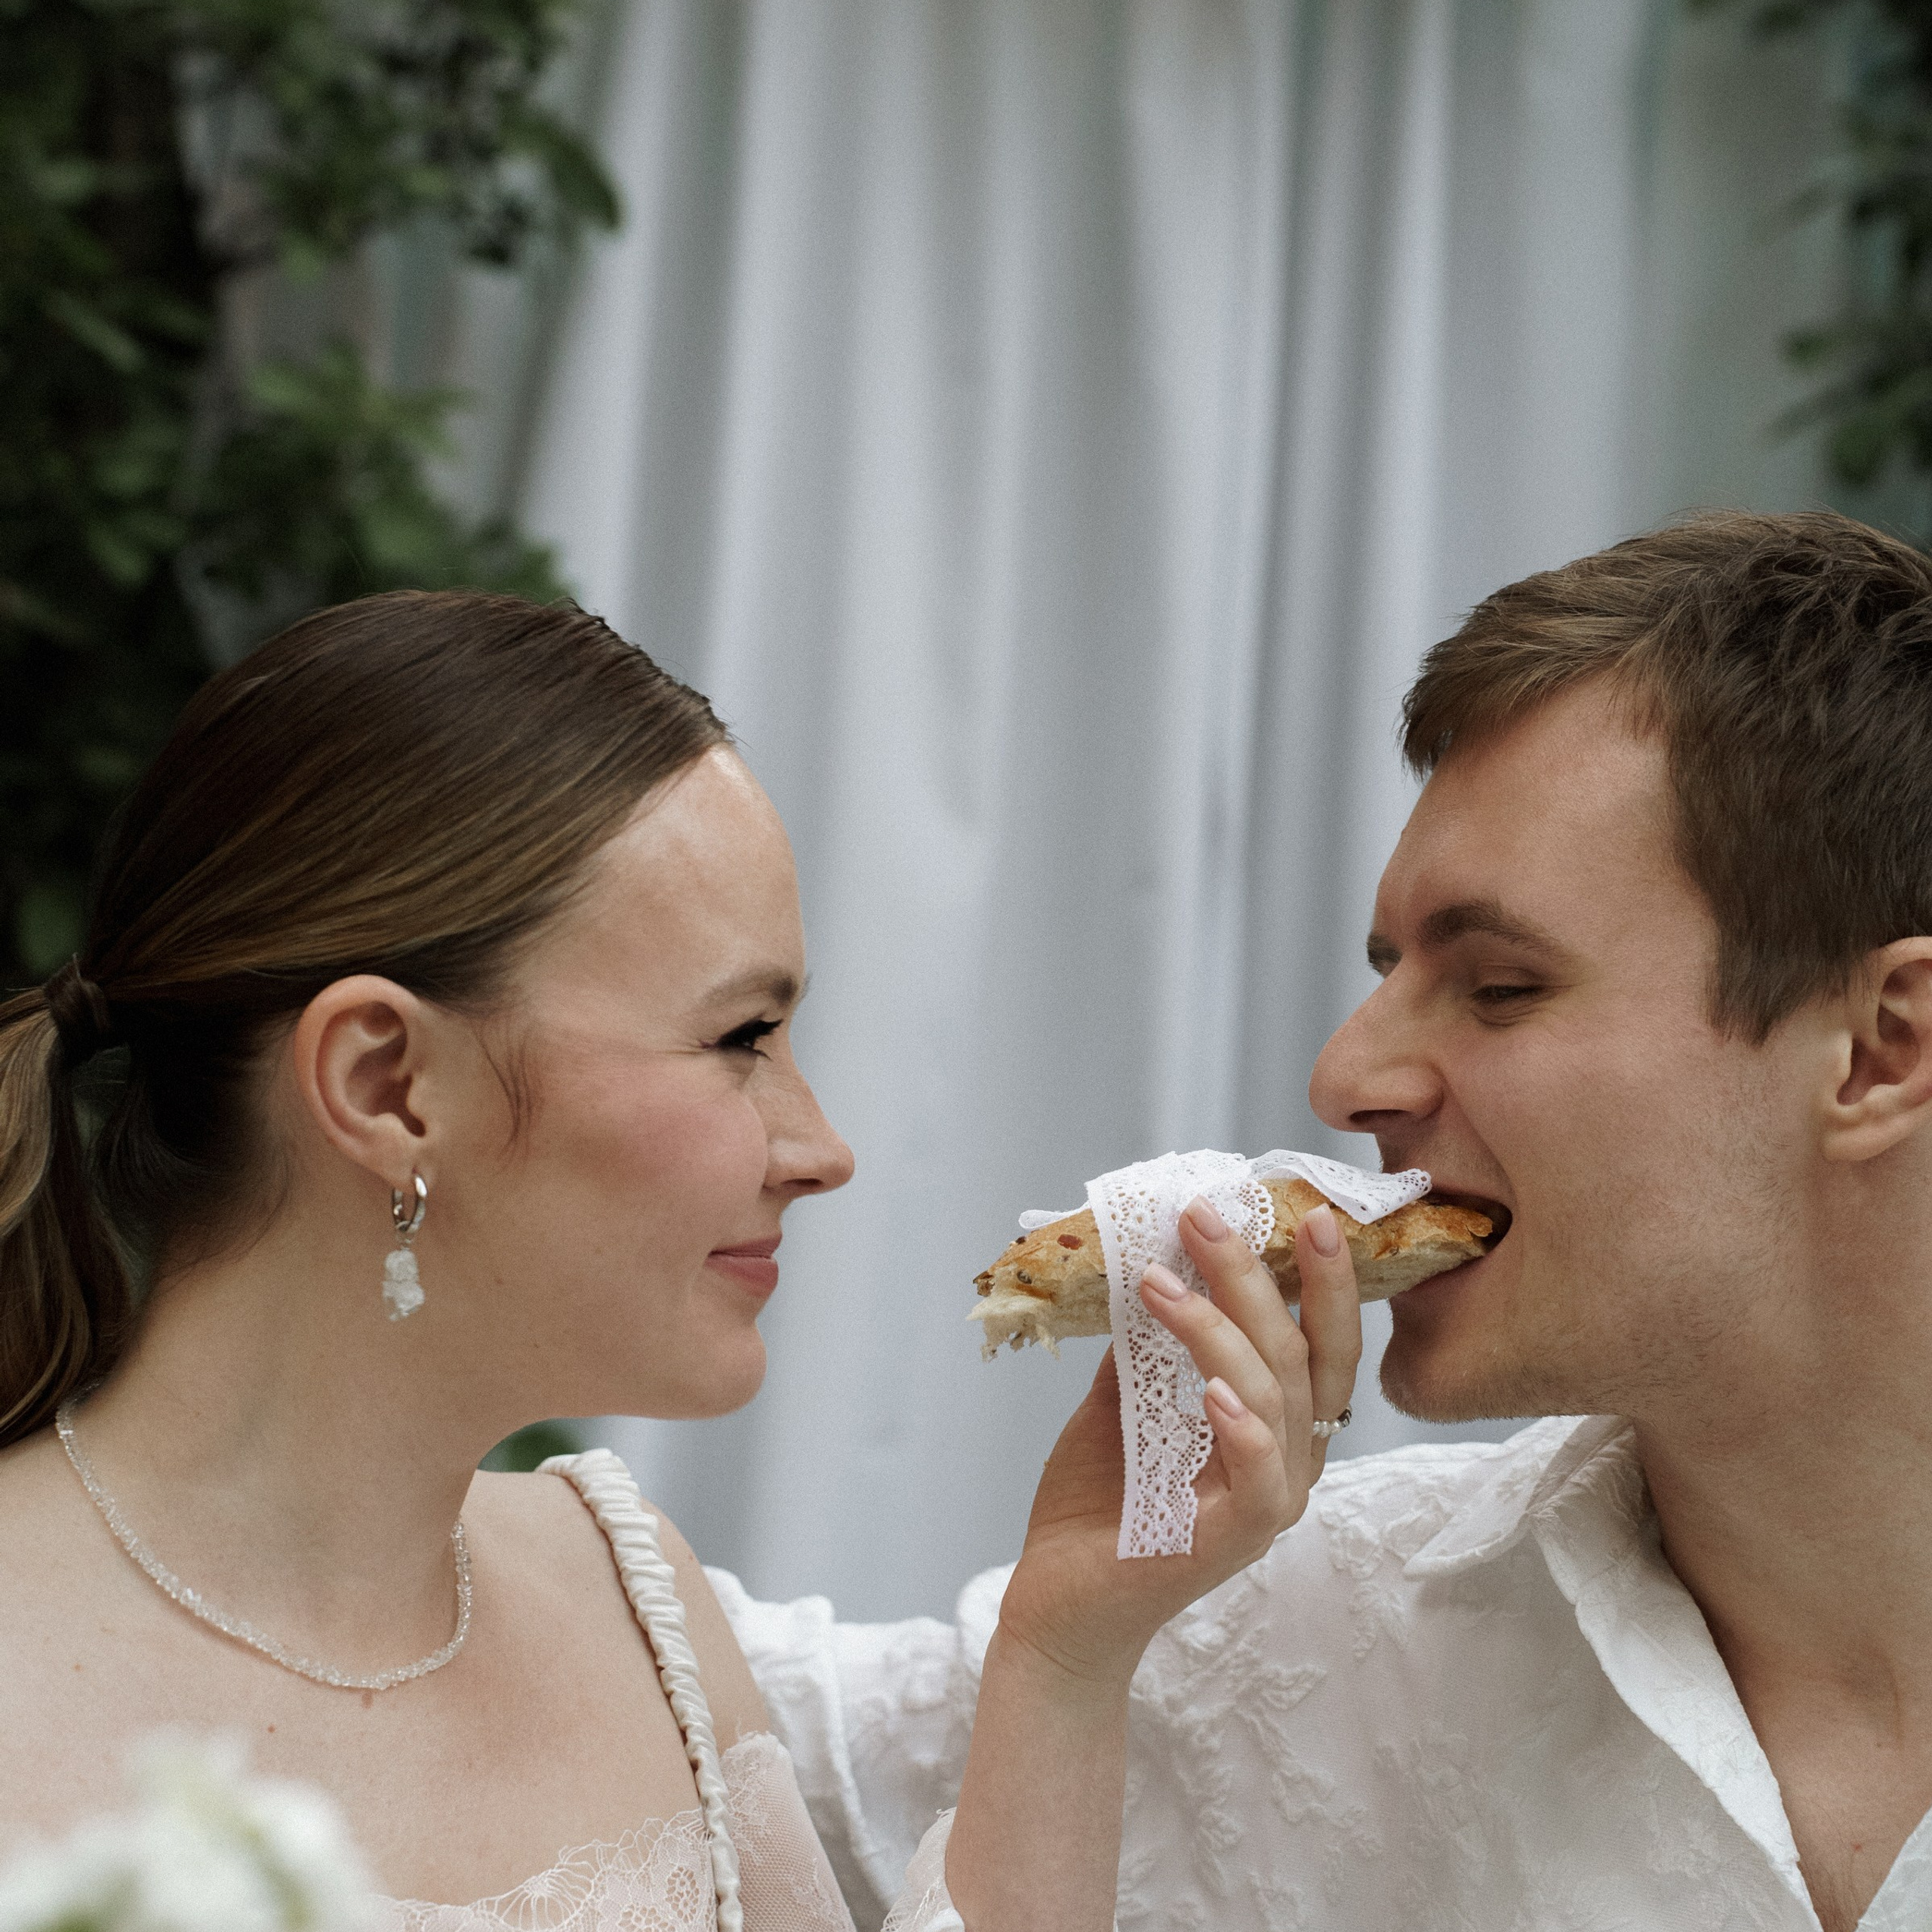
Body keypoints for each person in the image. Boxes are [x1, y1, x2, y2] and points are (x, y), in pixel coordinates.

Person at [0, 591, 1358, 1932]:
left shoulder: (631, 1600)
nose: (822, 1151)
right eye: (740, 1038)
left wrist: (1069, 1648)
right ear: (388, 1084)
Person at [719, 509, 1932, 1932]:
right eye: (1386, 970)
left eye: (1500, 988)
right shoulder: (1264, 1625)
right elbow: (710, 1719)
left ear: (1880, 1052)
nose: (1345, 1078)